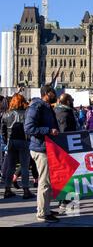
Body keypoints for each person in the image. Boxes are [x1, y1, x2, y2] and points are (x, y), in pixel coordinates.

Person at [24, 85, 60, 223]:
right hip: (40, 149)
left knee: (48, 182)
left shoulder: (46, 106)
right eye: (53, 92)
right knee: (44, 182)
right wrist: (48, 131)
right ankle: (42, 213)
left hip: (46, 148)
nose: (55, 94)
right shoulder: (36, 107)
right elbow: (29, 128)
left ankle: (46, 209)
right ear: (46, 93)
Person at [1, 93, 35, 199]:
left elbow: (3, 130)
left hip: (11, 142)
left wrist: (7, 141)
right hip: (24, 141)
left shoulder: (6, 114)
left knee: (10, 167)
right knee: (25, 166)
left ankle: (7, 189)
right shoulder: (26, 113)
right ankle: (25, 190)